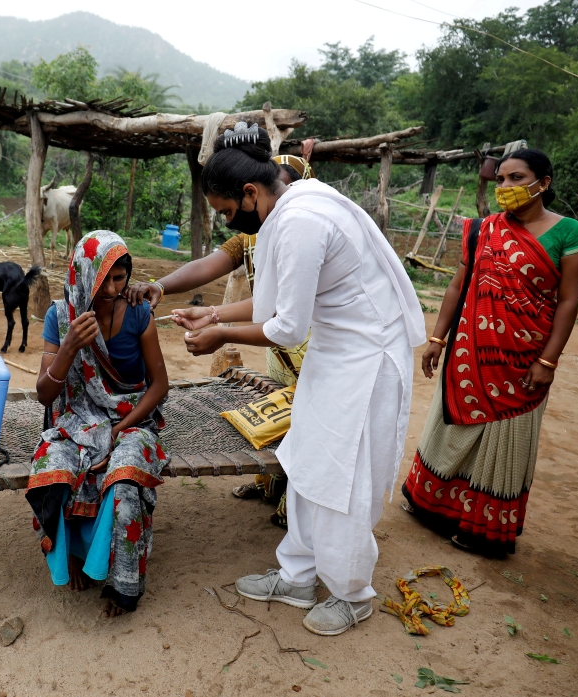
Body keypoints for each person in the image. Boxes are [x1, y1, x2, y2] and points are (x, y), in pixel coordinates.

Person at [173, 122, 426, 636]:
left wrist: (222, 336)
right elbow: (273, 304)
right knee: (308, 458)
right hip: (336, 353)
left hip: (367, 360)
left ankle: (353, 594)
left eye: (226, 212)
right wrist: (216, 318)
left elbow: (287, 328)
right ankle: (298, 575)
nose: (227, 223)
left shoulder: (302, 219)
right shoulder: (289, 201)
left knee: (345, 474)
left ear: (249, 193)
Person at [401, 149, 578, 557]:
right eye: (501, 180)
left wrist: (548, 361)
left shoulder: (569, 233)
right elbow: (457, 286)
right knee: (451, 428)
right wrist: (437, 338)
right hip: (470, 352)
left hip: (523, 359)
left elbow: (568, 303)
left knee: (506, 437)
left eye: (516, 178)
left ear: (544, 183)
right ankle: (431, 507)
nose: (505, 188)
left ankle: (483, 530)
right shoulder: (483, 229)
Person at [126, 154, 316, 526]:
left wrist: (220, 328)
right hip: (279, 344)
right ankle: (272, 482)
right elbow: (210, 267)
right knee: (283, 414)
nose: (230, 219)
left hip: (310, 345)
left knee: (309, 420)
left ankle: (297, 506)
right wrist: (161, 287)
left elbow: (286, 313)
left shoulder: (301, 231)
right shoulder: (254, 234)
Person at [26, 230, 171, 618]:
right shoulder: (61, 317)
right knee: (54, 468)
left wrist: (124, 429)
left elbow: (160, 386)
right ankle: (72, 553)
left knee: (124, 477)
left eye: (120, 278)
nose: (110, 289)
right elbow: (44, 394)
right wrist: (69, 346)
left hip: (131, 416)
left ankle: (123, 584)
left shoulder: (139, 314)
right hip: (75, 418)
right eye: (103, 279)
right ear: (82, 275)